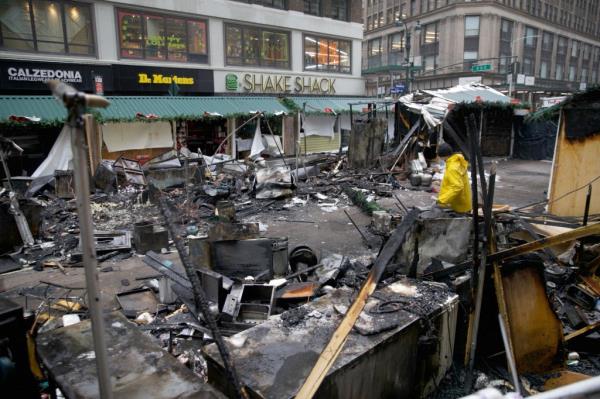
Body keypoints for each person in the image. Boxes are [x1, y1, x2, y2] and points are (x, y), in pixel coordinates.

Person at [436, 143, 472, 213]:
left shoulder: (452, 167)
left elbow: (457, 186)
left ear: (445, 156)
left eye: (440, 157)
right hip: (462, 200)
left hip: (460, 205)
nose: (440, 158)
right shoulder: (456, 161)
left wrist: (442, 200)